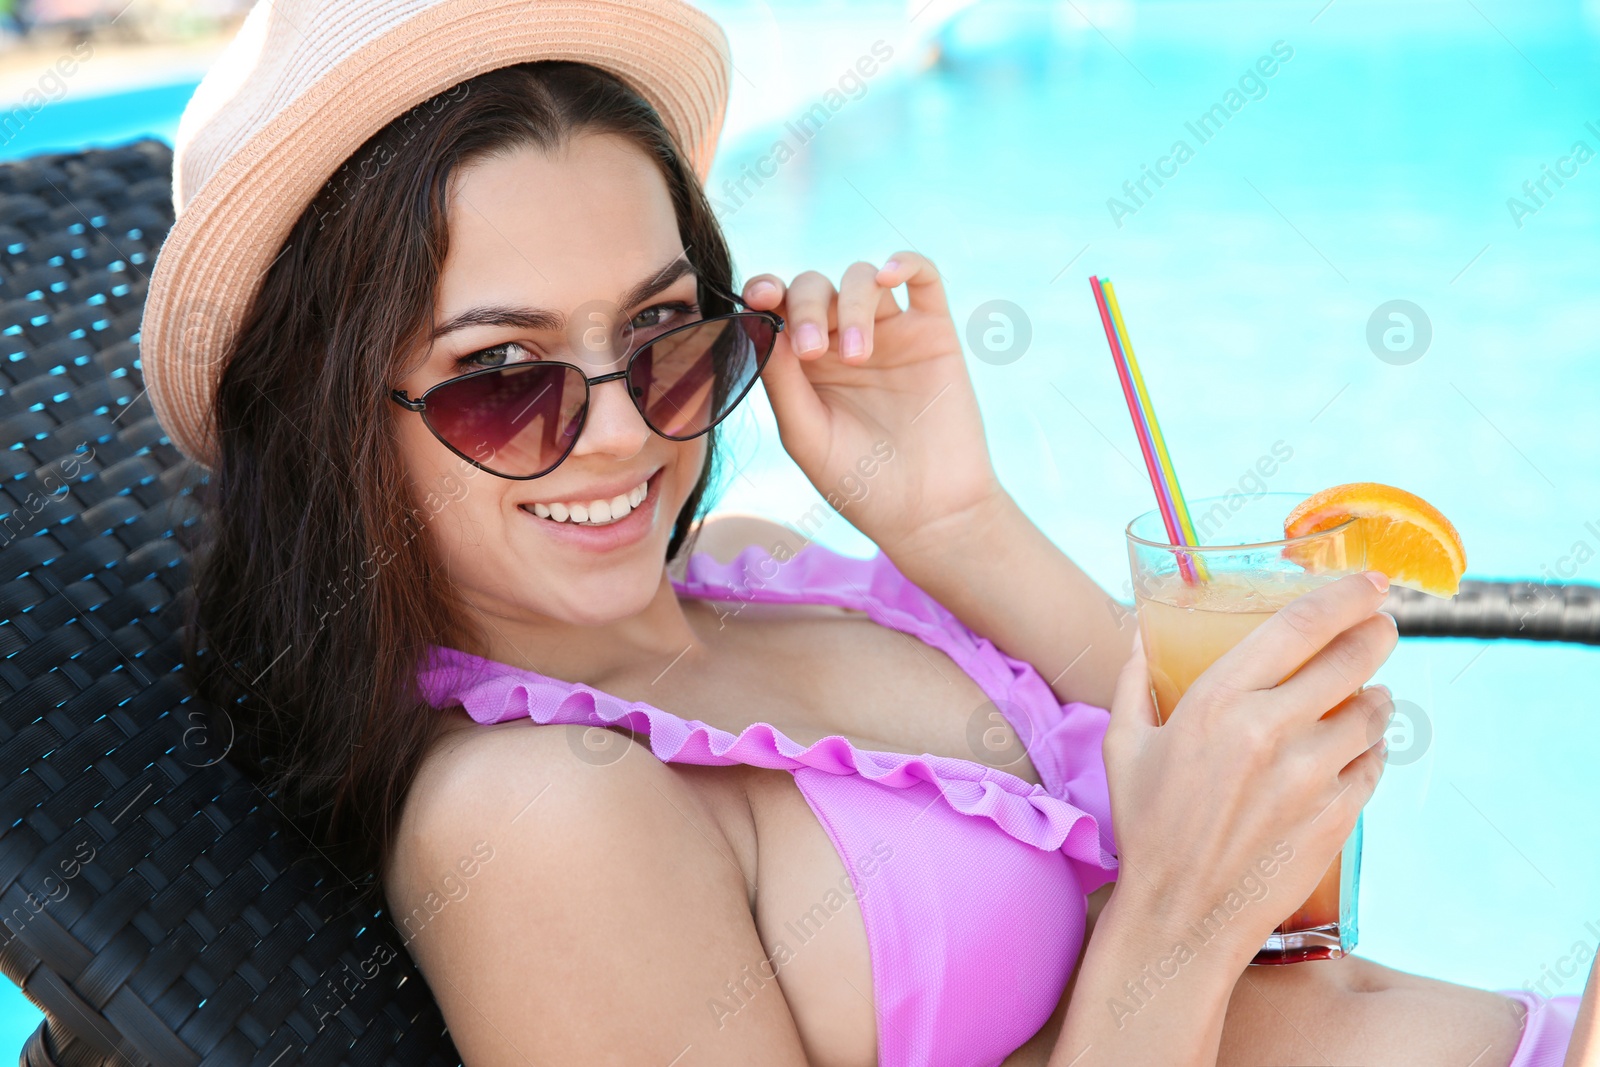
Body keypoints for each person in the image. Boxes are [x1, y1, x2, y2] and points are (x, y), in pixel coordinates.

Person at [142, 0, 1595, 1063]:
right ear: (332, 413)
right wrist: (1171, 927)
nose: (628, 433)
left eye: (663, 337)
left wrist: (957, 522)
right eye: (505, 380)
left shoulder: (781, 574)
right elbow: (1212, 916)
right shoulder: (531, 818)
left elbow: (1291, 911)